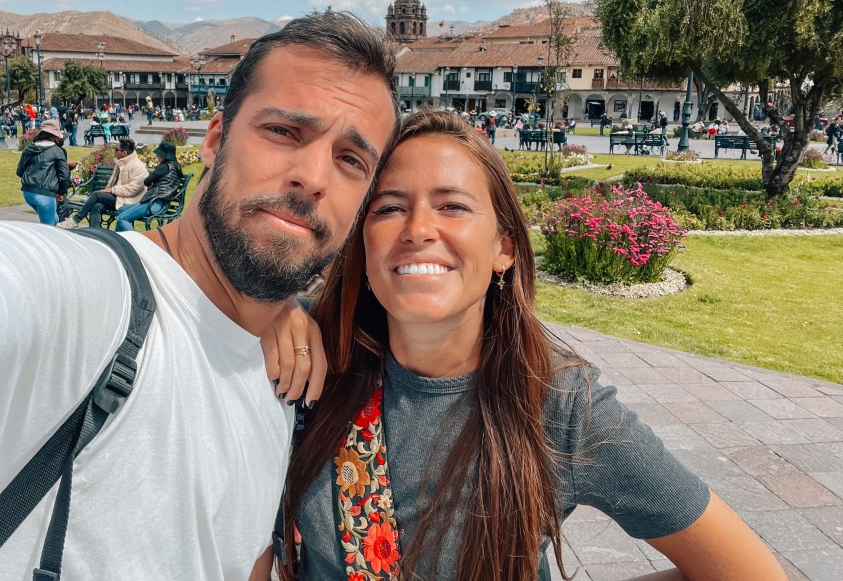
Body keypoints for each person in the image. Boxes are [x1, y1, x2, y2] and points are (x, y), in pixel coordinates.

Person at [0, 10, 399, 579]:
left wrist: (288, 309)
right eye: (283, 132)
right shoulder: (81, 297)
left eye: (350, 160)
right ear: (215, 141)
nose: (314, 176)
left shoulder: (282, 380)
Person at [275, 110, 786, 581]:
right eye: (389, 208)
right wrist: (269, 316)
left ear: (504, 249)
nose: (418, 229)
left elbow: (748, 570)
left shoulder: (555, 403)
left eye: (452, 205)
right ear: (363, 242)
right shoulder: (310, 359)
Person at [58, 138, 149, 229]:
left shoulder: (138, 166)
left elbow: (132, 190)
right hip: (119, 197)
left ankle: (75, 220)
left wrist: (111, 190)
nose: (114, 152)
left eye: (116, 150)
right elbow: (113, 182)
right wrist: (108, 191)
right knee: (97, 206)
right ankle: (94, 233)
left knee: (96, 195)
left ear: (124, 153)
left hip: (130, 201)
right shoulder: (121, 162)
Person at [114, 141, 183, 231]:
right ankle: (118, 238)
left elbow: (147, 181)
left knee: (123, 219)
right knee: (121, 210)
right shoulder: (176, 167)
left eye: (158, 155)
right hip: (161, 203)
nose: (157, 157)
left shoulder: (163, 167)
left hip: (154, 203)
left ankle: (135, 242)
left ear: (162, 156)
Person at [16, 118, 70, 226]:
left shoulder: (29, 148)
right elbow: (64, 175)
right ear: (55, 136)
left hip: (28, 192)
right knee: (48, 228)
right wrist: (61, 192)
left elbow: (19, 171)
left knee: (54, 219)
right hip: (45, 194)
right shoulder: (57, 151)